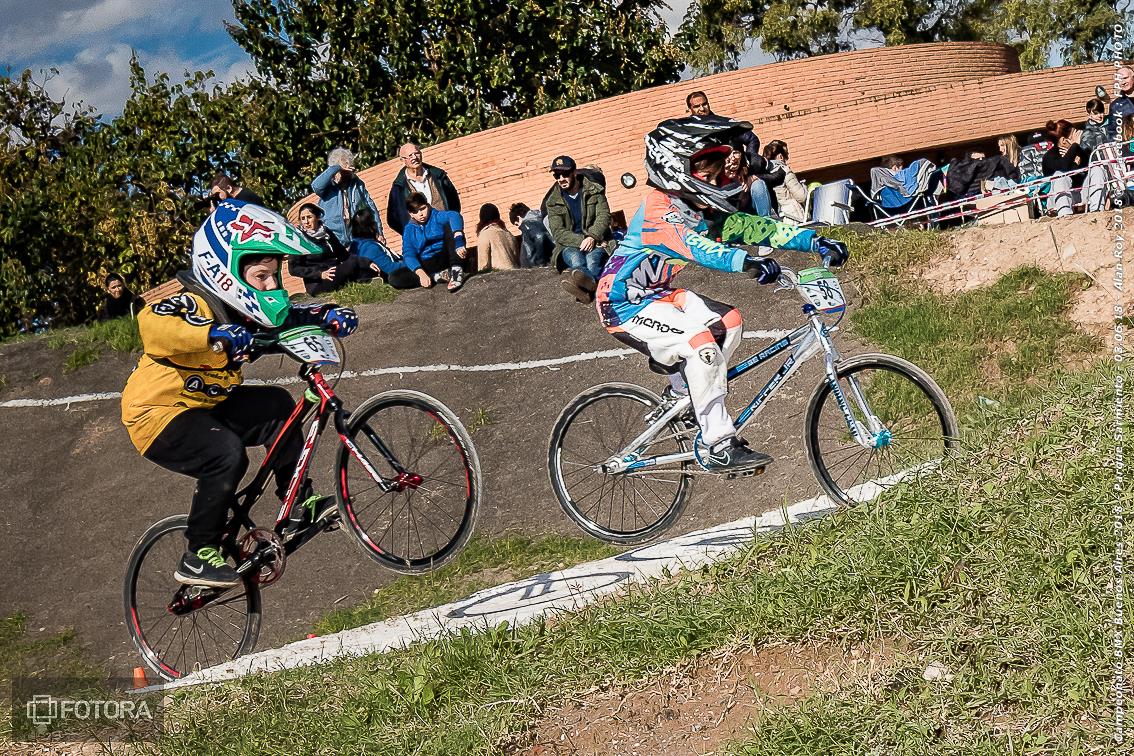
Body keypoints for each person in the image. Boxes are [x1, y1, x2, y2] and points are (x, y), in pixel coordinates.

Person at [121, 199, 359, 587]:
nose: (272, 286)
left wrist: (325, 315)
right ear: (228, 273)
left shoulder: (243, 312)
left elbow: (287, 319)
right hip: (156, 413)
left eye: (274, 277)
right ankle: (198, 553)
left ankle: (300, 502)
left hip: (209, 405)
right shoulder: (195, 303)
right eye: (261, 277)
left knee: (279, 407)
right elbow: (154, 325)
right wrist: (212, 334)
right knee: (226, 453)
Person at [595, 116, 848, 473]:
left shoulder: (697, 209)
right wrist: (745, 261)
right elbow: (696, 247)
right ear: (676, 167)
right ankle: (718, 444)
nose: (717, 181)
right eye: (708, 174)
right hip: (621, 304)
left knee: (729, 322)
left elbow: (756, 227)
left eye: (718, 174)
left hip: (658, 294)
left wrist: (814, 240)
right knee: (701, 343)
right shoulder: (658, 209)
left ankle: (684, 393)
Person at [545, 155, 614, 302]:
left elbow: (604, 216)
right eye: (557, 175)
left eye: (565, 174)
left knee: (592, 261)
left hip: (596, 240)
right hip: (569, 244)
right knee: (576, 260)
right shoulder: (553, 202)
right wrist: (583, 240)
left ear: (574, 173)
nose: (561, 179)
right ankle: (590, 286)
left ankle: (585, 293)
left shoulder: (594, 190)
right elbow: (558, 232)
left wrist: (592, 237)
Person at [289, 202, 378, 294]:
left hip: (335, 272)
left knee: (368, 267)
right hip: (317, 283)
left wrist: (367, 263)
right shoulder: (299, 240)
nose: (306, 222)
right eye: (303, 218)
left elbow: (343, 255)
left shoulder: (326, 233)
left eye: (309, 217)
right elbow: (293, 268)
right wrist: (319, 273)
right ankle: (364, 280)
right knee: (352, 264)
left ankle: (369, 281)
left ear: (317, 217)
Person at [311, 147, 385, 247]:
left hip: (354, 236)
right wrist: (337, 167)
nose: (346, 174)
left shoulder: (357, 184)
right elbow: (316, 186)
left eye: (348, 170)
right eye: (343, 171)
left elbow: (371, 208)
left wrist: (378, 232)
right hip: (332, 237)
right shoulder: (328, 185)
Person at [386, 141, 462, 238]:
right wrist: (412, 235)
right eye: (410, 155)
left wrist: (452, 225)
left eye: (417, 153)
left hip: (448, 234)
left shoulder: (438, 176)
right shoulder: (399, 187)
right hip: (422, 241)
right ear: (403, 160)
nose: (414, 157)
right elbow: (393, 219)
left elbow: (454, 202)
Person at [401, 191, 469, 292]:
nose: (421, 214)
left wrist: (458, 240)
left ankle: (456, 271)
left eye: (422, 209)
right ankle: (437, 276)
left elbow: (454, 215)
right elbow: (408, 253)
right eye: (415, 212)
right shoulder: (409, 229)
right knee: (395, 277)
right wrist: (420, 273)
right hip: (427, 263)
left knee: (449, 226)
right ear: (411, 214)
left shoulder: (436, 216)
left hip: (445, 256)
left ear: (428, 206)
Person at [350, 209, 418, 289]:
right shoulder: (370, 248)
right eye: (374, 222)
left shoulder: (356, 244)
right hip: (393, 275)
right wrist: (412, 262)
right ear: (370, 226)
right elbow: (390, 268)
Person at [1042, 119, 1088, 217]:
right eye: (1074, 134)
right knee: (1060, 175)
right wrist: (1074, 146)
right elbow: (1063, 168)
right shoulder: (1050, 156)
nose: (1079, 135)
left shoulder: (1081, 152)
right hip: (1058, 199)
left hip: (1081, 194)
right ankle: (1065, 214)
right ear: (1063, 140)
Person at [763, 140, 808, 223]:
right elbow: (801, 197)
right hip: (793, 217)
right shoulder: (784, 171)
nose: (787, 159)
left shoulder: (763, 173)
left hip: (776, 219)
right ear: (780, 156)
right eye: (786, 155)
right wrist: (804, 186)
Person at [475, 203, 519, 271]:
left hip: (499, 275)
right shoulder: (509, 234)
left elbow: (484, 264)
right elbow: (517, 259)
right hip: (516, 273)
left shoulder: (485, 234)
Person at [508, 202, 554, 267]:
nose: (518, 227)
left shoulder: (527, 223)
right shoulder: (543, 217)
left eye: (517, 224)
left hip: (544, 264)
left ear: (518, 217)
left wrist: (540, 262)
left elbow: (540, 237)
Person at [1107, 66, 1134, 142]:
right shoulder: (1116, 106)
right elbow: (1113, 133)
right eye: (1119, 80)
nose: (1123, 82)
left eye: (1125, 78)